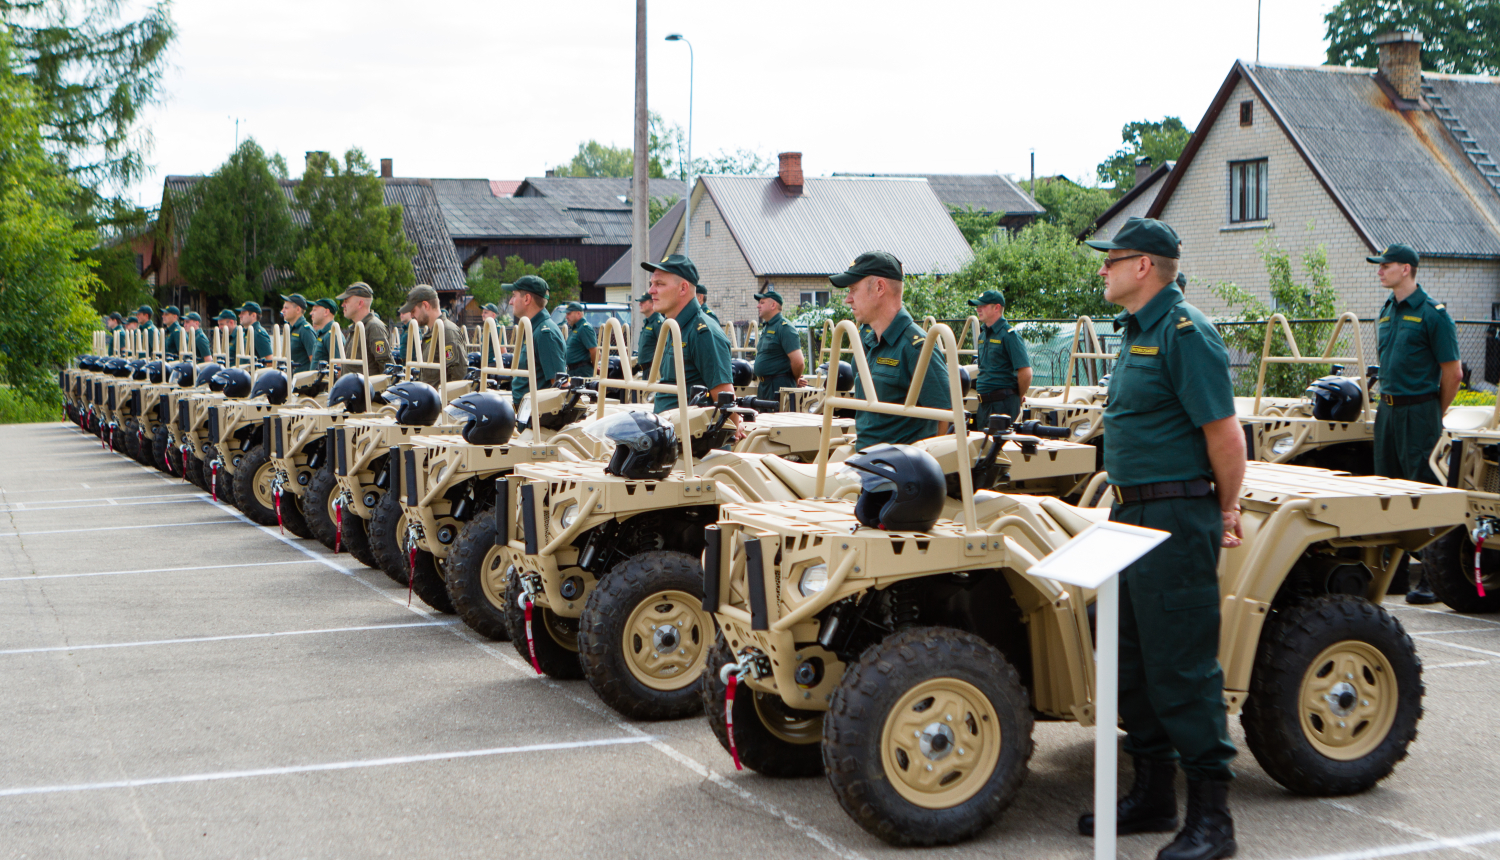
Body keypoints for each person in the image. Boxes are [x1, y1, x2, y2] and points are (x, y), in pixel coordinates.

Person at [1080, 217, 1242, 860]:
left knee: (1181, 665)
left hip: (1176, 519)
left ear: (1143, 266)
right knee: (1128, 655)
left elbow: (1226, 438)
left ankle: (1213, 820)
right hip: (1130, 517)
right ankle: (1153, 792)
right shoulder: (1137, 332)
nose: (1103, 270)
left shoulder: (1185, 333)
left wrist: (1223, 510)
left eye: (1111, 260)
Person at [1368, 243, 1461, 605]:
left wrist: (1433, 412)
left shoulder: (1433, 314)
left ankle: (1431, 577)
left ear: (1406, 269)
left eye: (1385, 265)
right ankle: (1396, 572)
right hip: (1388, 411)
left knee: (1421, 490)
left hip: (1419, 410)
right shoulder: (1387, 310)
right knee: (1387, 490)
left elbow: (1452, 373)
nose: (1380, 271)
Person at [830, 251, 949, 450]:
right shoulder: (867, 343)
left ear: (879, 288)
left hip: (897, 470)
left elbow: (945, 416)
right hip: (865, 460)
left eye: (853, 289)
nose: (848, 299)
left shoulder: (917, 347)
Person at [644, 255, 736, 424]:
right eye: (651, 284)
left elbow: (725, 399)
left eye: (659, 284)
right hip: (668, 432)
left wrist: (735, 427)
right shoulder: (674, 327)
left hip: (691, 442)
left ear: (683, 288)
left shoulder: (703, 332)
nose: (651, 291)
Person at [970, 289, 1032, 430]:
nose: (978, 309)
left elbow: (1025, 372)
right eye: (978, 306)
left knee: (1001, 449)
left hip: (1002, 404)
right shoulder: (983, 336)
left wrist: (1018, 396)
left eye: (983, 305)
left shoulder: (1009, 336)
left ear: (996, 307)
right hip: (984, 404)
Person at [504, 275, 567, 410]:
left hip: (535, 417)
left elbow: (558, 387)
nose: (510, 301)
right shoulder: (534, 328)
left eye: (514, 296)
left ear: (527, 299)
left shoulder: (545, 333)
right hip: (526, 411)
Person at [400, 284, 467, 386]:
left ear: (426, 305)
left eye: (413, 311)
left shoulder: (447, 331)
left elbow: (458, 378)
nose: (412, 315)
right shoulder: (430, 333)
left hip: (441, 400)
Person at [751, 288, 805, 401]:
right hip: (764, 386)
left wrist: (794, 380)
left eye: (762, 302)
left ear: (773, 305)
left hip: (777, 386)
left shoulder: (784, 328)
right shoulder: (768, 327)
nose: (758, 306)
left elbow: (798, 362)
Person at [335, 282, 390, 370]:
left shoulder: (374, 327)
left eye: (346, 301)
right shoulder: (355, 328)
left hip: (365, 384)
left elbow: (387, 368)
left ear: (360, 303)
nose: (342, 305)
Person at [280, 294, 320, 375]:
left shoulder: (305, 330)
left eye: (286, 308)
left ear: (298, 310)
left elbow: (314, 361)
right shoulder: (291, 328)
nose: (282, 310)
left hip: (301, 382)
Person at [563, 301, 598, 377]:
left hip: (582, 372)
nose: (566, 317)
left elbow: (594, 350)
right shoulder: (576, 328)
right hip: (574, 371)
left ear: (578, 314)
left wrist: (595, 369)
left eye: (569, 314)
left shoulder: (584, 328)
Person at [237, 301, 274, 366]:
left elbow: (270, 362)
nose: (240, 316)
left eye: (243, 313)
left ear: (253, 315)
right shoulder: (247, 332)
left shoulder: (257, 333)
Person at [634, 293, 663, 371]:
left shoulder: (658, 323)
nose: (640, 304)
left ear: (652, 303)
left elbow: (665, 348)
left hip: (654, 371)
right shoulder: (649, 322)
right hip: (646, 370)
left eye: (643, 302)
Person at [309, 298, 338, 366]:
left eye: (314, 310)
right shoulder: (323, 334)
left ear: (326, 312)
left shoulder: (332, 335)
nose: (311, 313)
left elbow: (339, 368)